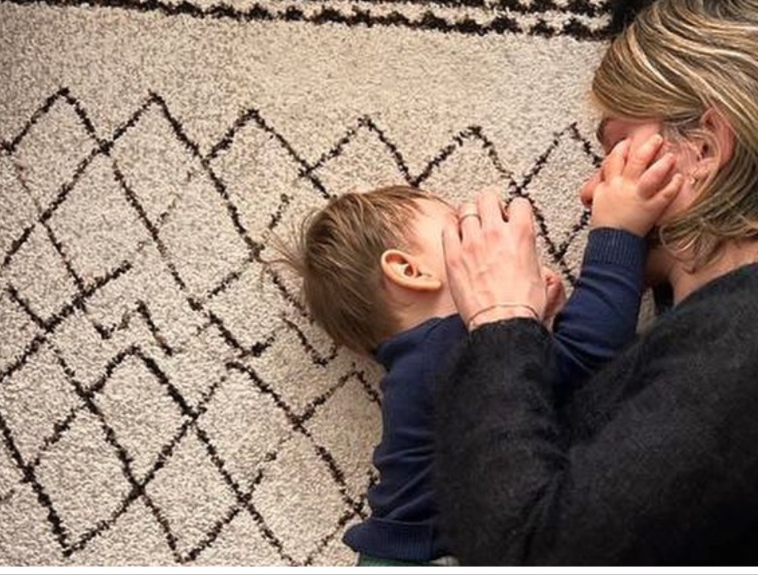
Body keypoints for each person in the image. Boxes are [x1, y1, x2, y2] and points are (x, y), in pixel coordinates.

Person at [431, 0, 758, 565]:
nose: (590, 192)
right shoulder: (754, 321)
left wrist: (500, 320)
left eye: (615, 149)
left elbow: (531, 553)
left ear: (702, 149)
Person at [271, 134, 681, 565]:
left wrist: (532, 331)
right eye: (460, 229)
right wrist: (619, 231)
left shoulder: (428, 359)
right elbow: (587, 355)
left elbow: (522, 399)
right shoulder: (440, 348)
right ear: (409, 270)